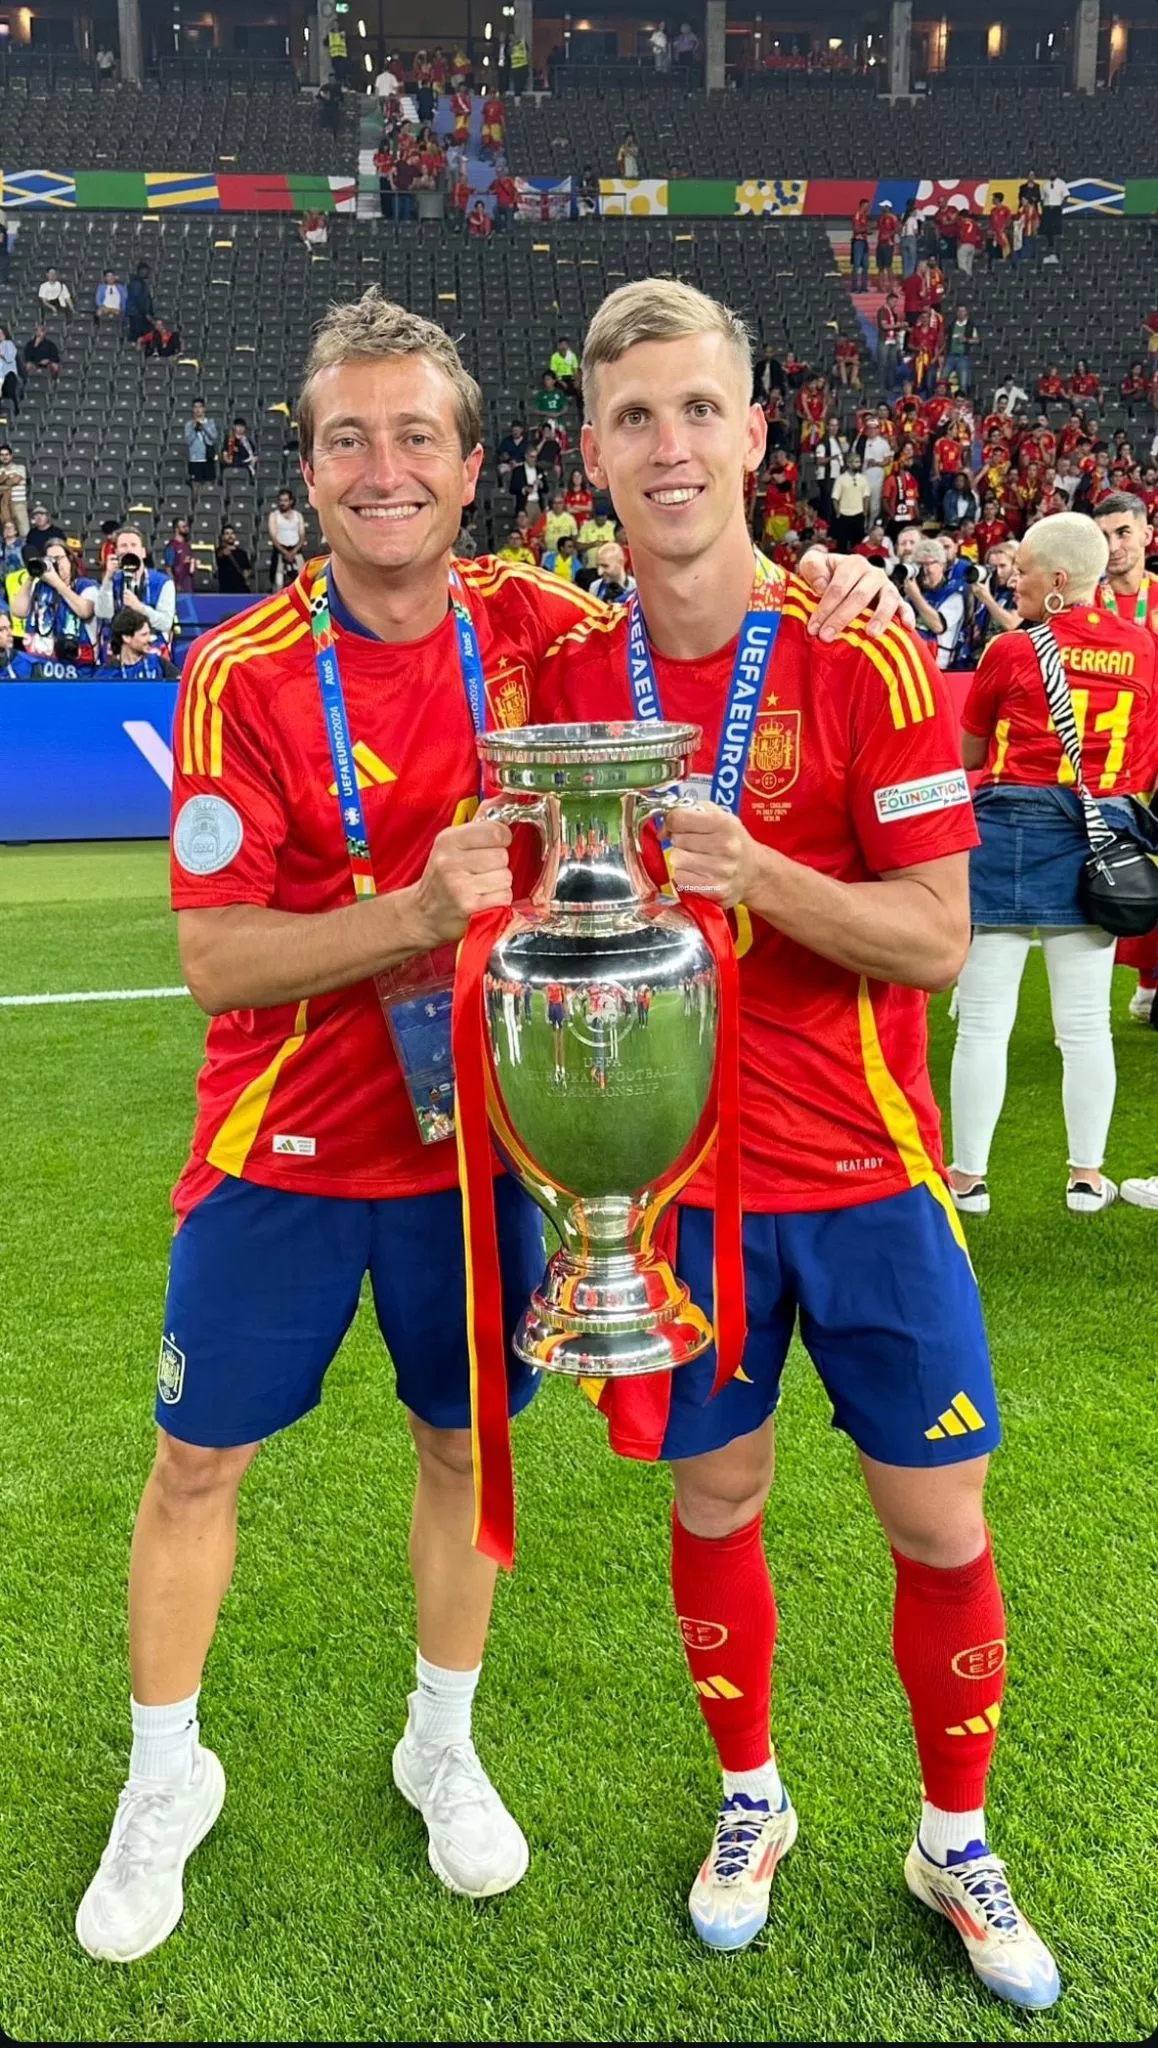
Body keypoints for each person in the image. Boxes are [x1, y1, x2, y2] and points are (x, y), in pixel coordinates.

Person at [71, 290, 633, 1966]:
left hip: (478, 1153)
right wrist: (412, 914)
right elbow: (214, 958)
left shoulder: (542, 625)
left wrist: (836, 581)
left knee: (463, 1447)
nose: (382, 468)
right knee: (195, 1462)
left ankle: (437, 1742)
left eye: (414, 437)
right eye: (345, 440)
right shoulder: (239, 670)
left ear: (469, 465)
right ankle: (165, 1777)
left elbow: (713, 615)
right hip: (283, 1146)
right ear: (305, 472)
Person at [533, 276, 1058, 2011]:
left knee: (936, 1517)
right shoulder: (561, 669)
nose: (668, 445)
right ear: (592, 450)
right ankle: (751, 1794)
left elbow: (931, 934)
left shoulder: (861, 647)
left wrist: (757, 873)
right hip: (681, 1194)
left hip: (867, 1176)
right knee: (718, 1491)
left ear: (755, 432)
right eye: (633, 416)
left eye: (698, 408)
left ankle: (951, 1834)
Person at [948, 513, 1158, 1219]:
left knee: (983, 1023)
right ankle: (1086, 1177)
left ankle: (969, 1180)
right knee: (1086, 1024)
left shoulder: (1011, 650)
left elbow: (970, 753)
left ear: (1060, 579)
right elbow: (1144, 762)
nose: (1015, 578)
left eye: (1026, 569)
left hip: (1010, 830)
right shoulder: (1143, 646)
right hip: (1100, 839)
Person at [1092, 491, 1158, 1019]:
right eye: (1104, 536)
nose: (1114, 546)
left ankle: (1151, 980)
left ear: (1147, 535)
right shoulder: (1083, 604)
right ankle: (1097, 997)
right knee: (1112, 869)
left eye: (1123, 532)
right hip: (1109, 753)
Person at [10, 534, 98, 664]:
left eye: (58, 558)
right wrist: (31, 576)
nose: (55, 563)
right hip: (40, 662)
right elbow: (18, 611)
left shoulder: (87, 586)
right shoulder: (40, 586)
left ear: (70, 559)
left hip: (75, 664)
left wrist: (57, 583)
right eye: (50, 559)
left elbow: (85, 611)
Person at [95, 527, 177, 664]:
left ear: (143, 552)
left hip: (152, 651)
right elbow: (103, 614)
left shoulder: (163, 582)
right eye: (123, 545)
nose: (128, 549)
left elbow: (165, 623)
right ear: (116, 552)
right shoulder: (112, 580)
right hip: (118, 653)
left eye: (133, 545)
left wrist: (139, 607)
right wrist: (107, 578)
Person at [906, 536, 966, 668]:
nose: (924, 571)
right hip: (912, 657)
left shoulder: (954, 593)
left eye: (929, 564)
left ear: (942, 565)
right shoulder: (913, 589)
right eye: (919, 565)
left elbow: (938, 626)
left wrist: (915, 596)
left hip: (938, 664)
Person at [109, 606, 180, 680]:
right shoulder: (107, 674)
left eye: (149, 634)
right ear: (126, 637)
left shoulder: (160, 664)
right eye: (144, 635)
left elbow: (180, 682)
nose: (150, 640)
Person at [267, 487, 307, 590]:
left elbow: (302, 535)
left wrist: (293, 552)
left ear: (291, 501)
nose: (282, 503)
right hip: (280, 551)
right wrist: (285, 553)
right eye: (280, 500)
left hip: (296, 551)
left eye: (285, 500)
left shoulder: (298, 515)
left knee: (302, 580)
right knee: (278, 582)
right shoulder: (274, 515)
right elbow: (273, 536)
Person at [831, 452, 871, 548]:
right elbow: (835, 497)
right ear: (848, 463)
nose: (858, 464)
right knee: (842, 543)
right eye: (855, 462)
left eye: (859, 462)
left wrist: (865, 512)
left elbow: (866, 496)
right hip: (844, 515)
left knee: (857, 544)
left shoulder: (863, 479)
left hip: (858, 514)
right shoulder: (840, 479)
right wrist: (837, 512)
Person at [184, 401, 219, 491]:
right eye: (195, 407)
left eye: (200, 407)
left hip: (208, 458)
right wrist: (194, 428)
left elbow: (214, 437)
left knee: (208, 485)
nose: (198, 410)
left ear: (204, 409)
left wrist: (204, 427)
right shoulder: (189, 425)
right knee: (195, 485)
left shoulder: (210, 423)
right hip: (195, 459)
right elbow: (188, 441)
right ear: (192, 409)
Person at [214, 524, 252, 594]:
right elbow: (220, 554)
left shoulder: (242, 553)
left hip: (241, 591)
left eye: (232, 533)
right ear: (222, 537)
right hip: (226, 591)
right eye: (227, 534)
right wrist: (225, 549)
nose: (230, 536)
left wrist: (247, 574)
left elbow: (248, 568)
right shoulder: (219, 550)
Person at [1040, 174, 1068, 262]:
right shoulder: (1045, 184)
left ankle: (1056, 253)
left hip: (1056, 208)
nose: (1052, 173)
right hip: (1047, 208)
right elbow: (1042, 198)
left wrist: (1061, 207)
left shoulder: (1061, 183)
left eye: (1053, 171)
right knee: (1047, 230)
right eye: (1050, 172)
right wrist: (1044, 207)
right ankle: (1049, 252)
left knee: (1056, 230)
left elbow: (1066, 196)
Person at [164, 518, 195, 595]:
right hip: (178, 588)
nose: (187, 528)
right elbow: (168, 568)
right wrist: (174, 585)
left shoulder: (187, 545)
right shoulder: (172, 546)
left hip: (188, 587)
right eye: (184, 527)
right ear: (177, 529)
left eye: (187, 526)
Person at [125, 264, 154, 343]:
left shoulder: (140, 283)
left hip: (139, 315)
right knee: (137, 336)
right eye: (146, 271)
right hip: (137, 315)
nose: (148, 273)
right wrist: (145, 313)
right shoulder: (136, 283)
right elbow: (139, 300)